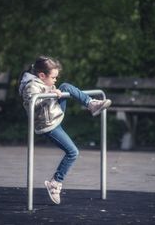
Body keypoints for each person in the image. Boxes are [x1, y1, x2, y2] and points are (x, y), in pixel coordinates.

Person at [18, 55, 111, 204]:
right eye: (53, 77)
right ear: (42, 75)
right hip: (47, 125)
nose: (55, 80)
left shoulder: (40, 81)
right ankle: (55, 183)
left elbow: (48, 90)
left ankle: (91, 104)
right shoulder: (30, 85)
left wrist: (52, 90)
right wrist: (50, 94)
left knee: (65, 86)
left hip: (53, 114)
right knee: (73, 152)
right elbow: (32, 103)